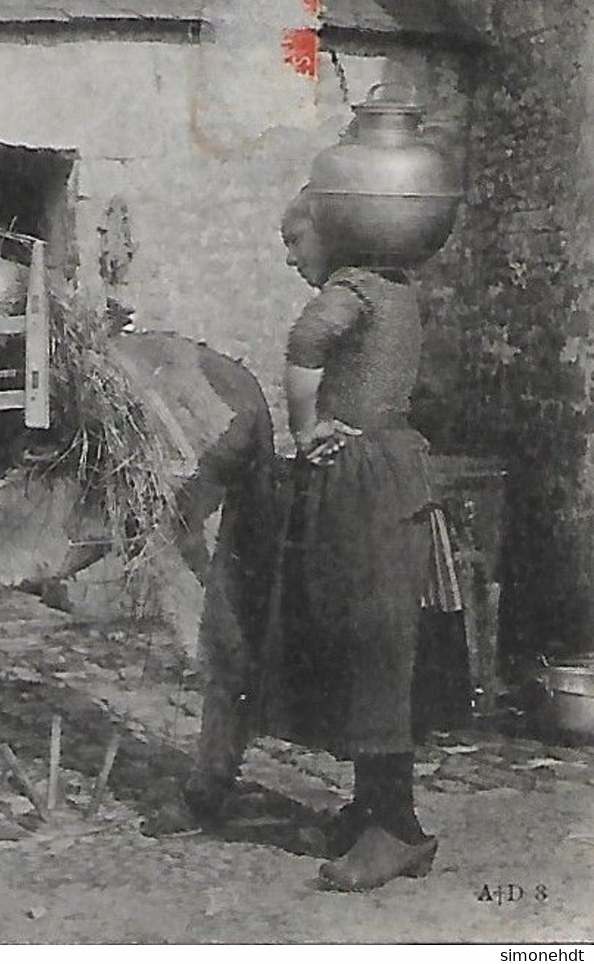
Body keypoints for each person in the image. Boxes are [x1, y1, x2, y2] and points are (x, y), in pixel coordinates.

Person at [263, 187, 439, 891]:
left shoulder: (352, 288)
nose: (288, 255)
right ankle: (376, 809)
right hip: (387, 472)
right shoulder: (394, 287)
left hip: (365, 482)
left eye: (295, 240)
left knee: (371, 642)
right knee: (364, 639)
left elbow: (304, 342)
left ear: (332, 237)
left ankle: (392, 830)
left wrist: (304, 429)